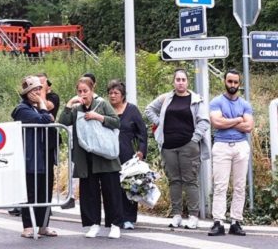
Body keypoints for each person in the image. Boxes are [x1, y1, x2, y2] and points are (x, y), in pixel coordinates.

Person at [145, 69, 210, 230]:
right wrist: (159, 122)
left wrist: (195, 138)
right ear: (173, 82)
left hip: (189, 146)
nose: (180, 82)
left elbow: (204, 121)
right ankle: (176, 214)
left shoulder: (195, 100)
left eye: (183, 79)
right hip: (168, 146)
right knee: (174, 181)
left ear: (187, 82)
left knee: (190, 180)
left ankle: (194, 216)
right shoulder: (166, 98)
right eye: (177, 79)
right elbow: (149, 110)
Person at [58, 77, 122, 239]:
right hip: (85, 158)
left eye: (85, 91)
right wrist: (68, 104)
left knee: (111, 191)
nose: (82, 94)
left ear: (92, 90)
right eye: (79, 91)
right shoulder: (76, 108)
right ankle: (94, 224)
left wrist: (98, 117)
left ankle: (114, 225)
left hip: (105, 157)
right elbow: (63, 122)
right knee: (89, 193)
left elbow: (116, 122)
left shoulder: (102, 104)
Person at [207, 69, 254, 236]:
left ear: (239, 84)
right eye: (230, 81)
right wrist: (238, 120)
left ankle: (236, 222)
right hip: (221, 146)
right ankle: (218, 222)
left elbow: (248, 127)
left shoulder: (245, 104)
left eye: (235, 82)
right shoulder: (216, 102)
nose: (232, 85)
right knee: (220, 186)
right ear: (225, 82)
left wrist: (227, 121)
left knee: (240, 186)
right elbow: (216, 122)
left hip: (241, 146)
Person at [11, 75, 57, 238]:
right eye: (35, 89)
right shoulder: (23, 109)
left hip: (44, 155)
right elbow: (45, 119)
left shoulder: (36, 108)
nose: (39, 92)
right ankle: (28, 226)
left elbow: (49, 118)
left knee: (45, 191)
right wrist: (43, 105)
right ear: (28, 92)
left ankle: (43, 225)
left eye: (40, 89)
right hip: (30, 156)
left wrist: (42, 106)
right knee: (30, 191)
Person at [107, 79, 147, 230]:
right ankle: (116, 217)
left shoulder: (132, 110)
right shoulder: (105, 110)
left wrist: (141, 151)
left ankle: (129, 218)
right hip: (109, 155)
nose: (112, 96)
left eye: (116, 93)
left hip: (128, 155)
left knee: (129, 187)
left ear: (123, 95)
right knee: (112, 188)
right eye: (110, 93)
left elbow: (142, 133)